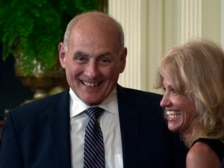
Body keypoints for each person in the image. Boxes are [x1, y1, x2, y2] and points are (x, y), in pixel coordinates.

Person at [0, 11, 188, 168]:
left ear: (122, 60)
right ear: (63, 56)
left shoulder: (162, 116)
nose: (92, 73)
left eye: (104, 60)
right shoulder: (23, 125)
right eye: (81, 59)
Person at [155, 39, 224, 168]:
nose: (163, 102)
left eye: (174, 91)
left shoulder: (200, 154)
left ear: (203, 95)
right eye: (164, 90)